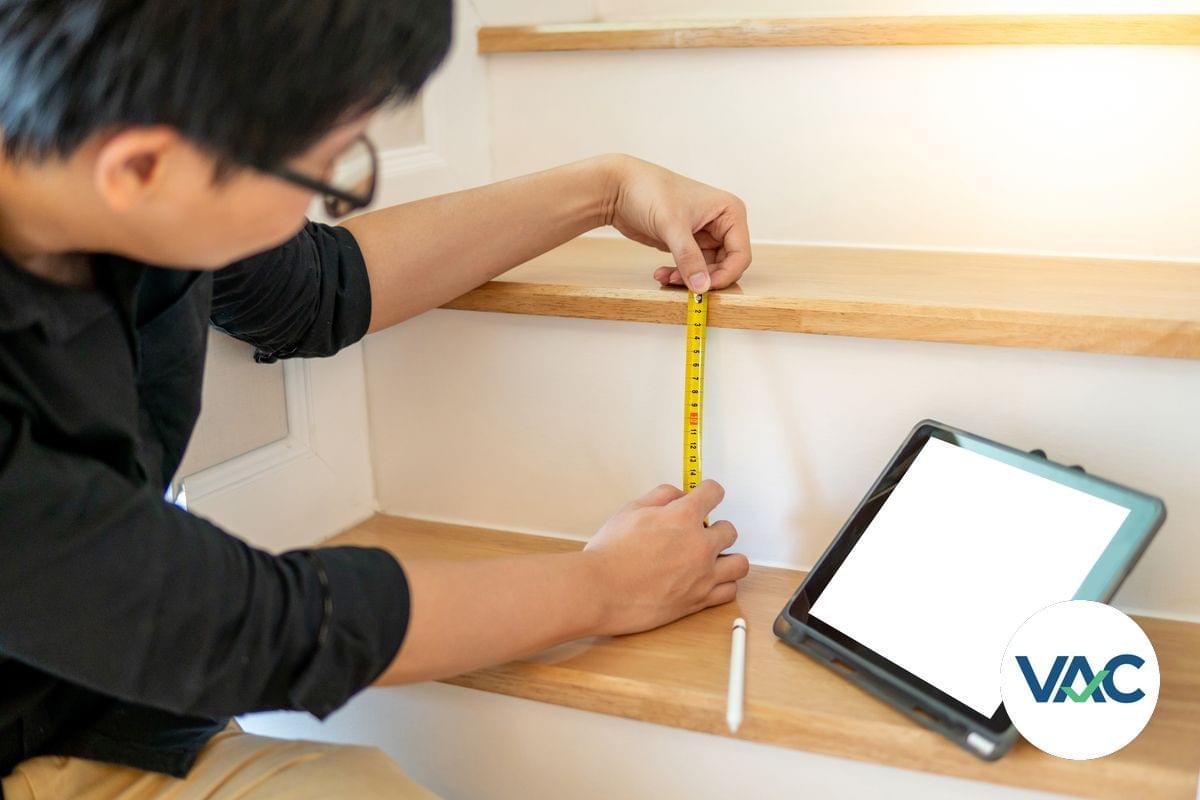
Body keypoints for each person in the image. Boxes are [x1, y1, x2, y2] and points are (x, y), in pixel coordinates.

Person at [0, 1, 753, 797]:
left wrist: (606, 189)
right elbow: (252, 627)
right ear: (140, 170)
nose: (325, 198)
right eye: (314, 175)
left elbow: (311, 287)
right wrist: (602, 586)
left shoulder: (98, 161)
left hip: (108, 706)